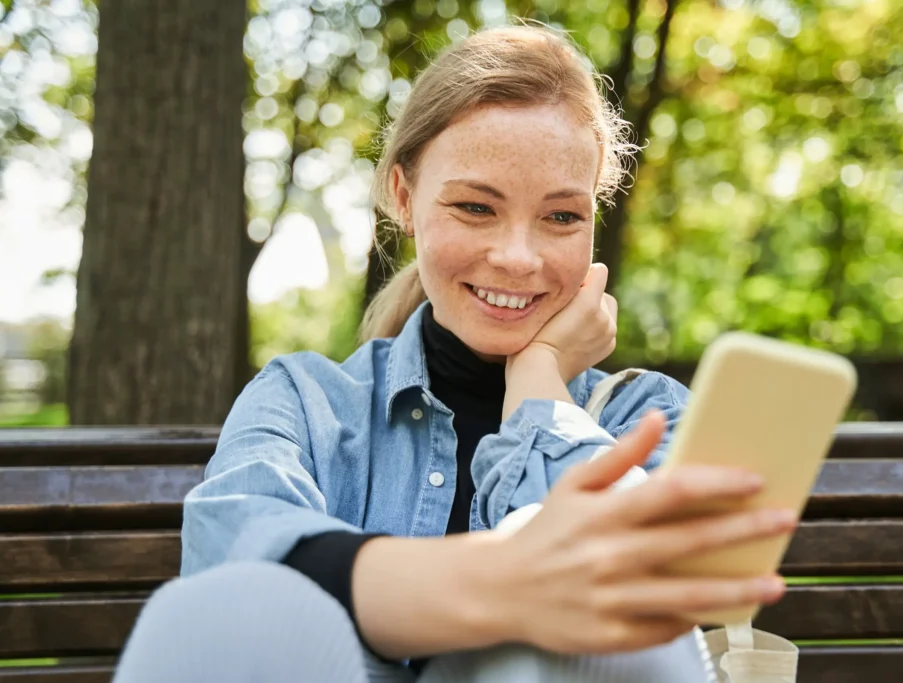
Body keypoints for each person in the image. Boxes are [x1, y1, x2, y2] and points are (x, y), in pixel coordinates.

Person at [113, 24, 797, 683]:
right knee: (220, 609)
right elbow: (231, 548)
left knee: (605, 632)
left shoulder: (648, 418)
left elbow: (644, 622)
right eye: (475, 207)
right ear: (405, 199)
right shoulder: (305, 401)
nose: (518, 257)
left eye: (562, 216)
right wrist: (508, 582)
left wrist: (541, 388)